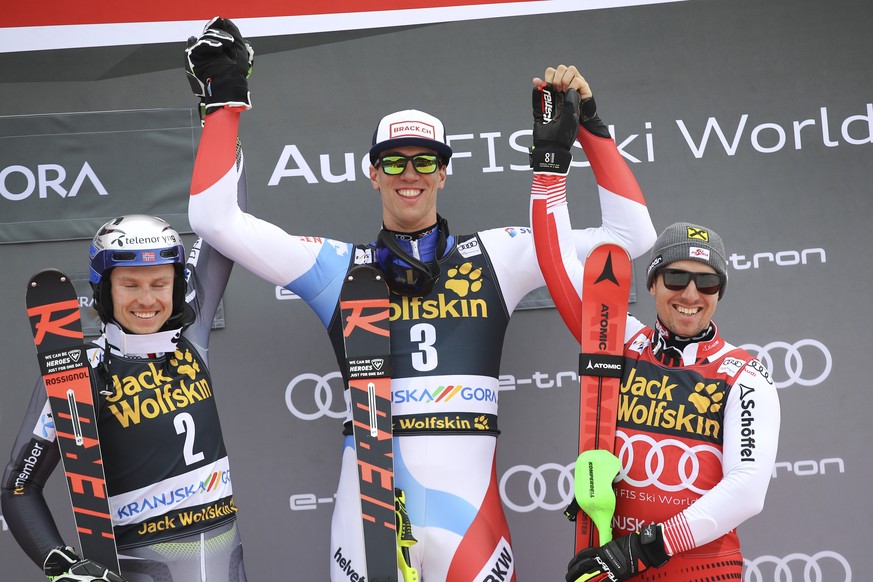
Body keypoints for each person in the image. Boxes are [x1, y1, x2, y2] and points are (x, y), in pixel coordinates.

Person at [183, 17, 657, 581]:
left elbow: (632, 239)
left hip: (472, 520)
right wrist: (224, 101)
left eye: (426, 161)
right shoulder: (339, 268)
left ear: (445, 173)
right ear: (372, 173)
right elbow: (214, 220)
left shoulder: (497, 256)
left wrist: (590, 128)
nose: (410, 174)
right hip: (369, 511)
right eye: (394, 161)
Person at [527, 78, 780, 581]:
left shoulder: (745, 375)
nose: (691, 293)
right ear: (653, 282)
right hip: (612, 561)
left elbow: (748, 489)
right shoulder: (616, 338)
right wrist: (555, 159)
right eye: (677, 277)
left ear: (720, 292)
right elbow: (554, 261)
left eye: (707, 282)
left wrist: (647, 547)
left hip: (698, 569)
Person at [1, 213, 249, 582]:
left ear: (176, 288)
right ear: (104, 290)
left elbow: (223, 215)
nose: (147, 300)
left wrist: (232, 149)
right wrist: (63, 566)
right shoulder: (78, 371)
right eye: (130, 285)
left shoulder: (191, 336)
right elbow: (19, 487)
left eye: (160, 284)